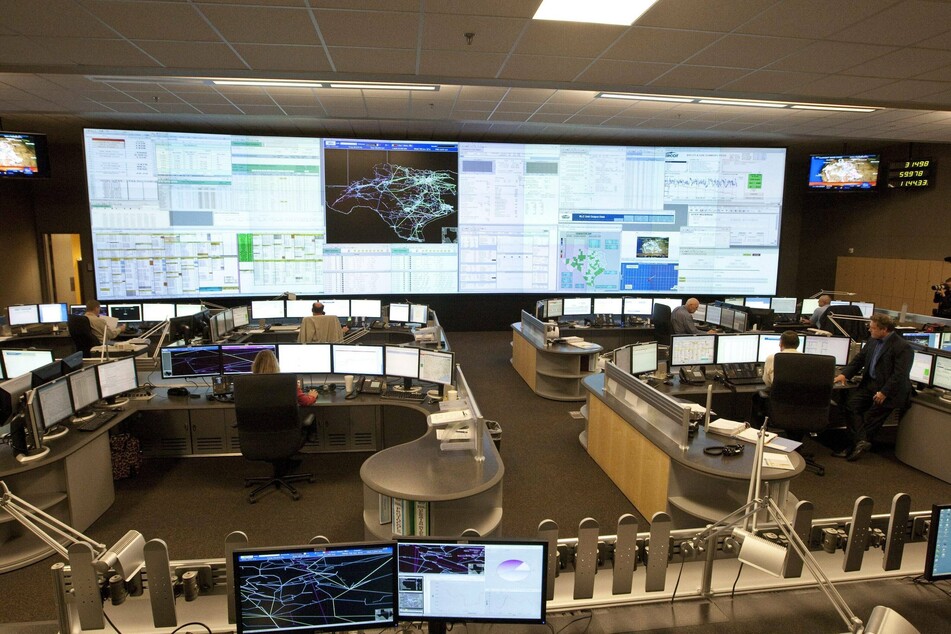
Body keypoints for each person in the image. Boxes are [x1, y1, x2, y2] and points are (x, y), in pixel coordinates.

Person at [833, 313, 913, 462]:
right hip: (870, 384)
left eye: (872, 328)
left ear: (884, 330)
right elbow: (860, 359)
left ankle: (853, 448)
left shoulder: (902, 347)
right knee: (851, 406)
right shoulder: (873, 340)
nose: (869, 330)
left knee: (869, 420)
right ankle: (860, 442)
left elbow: (900, 375)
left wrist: (884, 392)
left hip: (889, 391)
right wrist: (845, 375)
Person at [750, 330, 800, 426]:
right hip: (803, 407)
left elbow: (768, 383)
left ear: (780, 344)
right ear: (798, 344)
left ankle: (757, 432)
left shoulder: (773, 357)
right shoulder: (809, 359)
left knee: (756, 397)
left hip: (779, 405)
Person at [251, 349, 317, 407]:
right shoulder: (287, 381)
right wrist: (312, 396)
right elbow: (305, 402)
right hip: (282, 420)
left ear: (255, 364)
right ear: (275, 364)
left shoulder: (246, 383)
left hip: (253, 421)